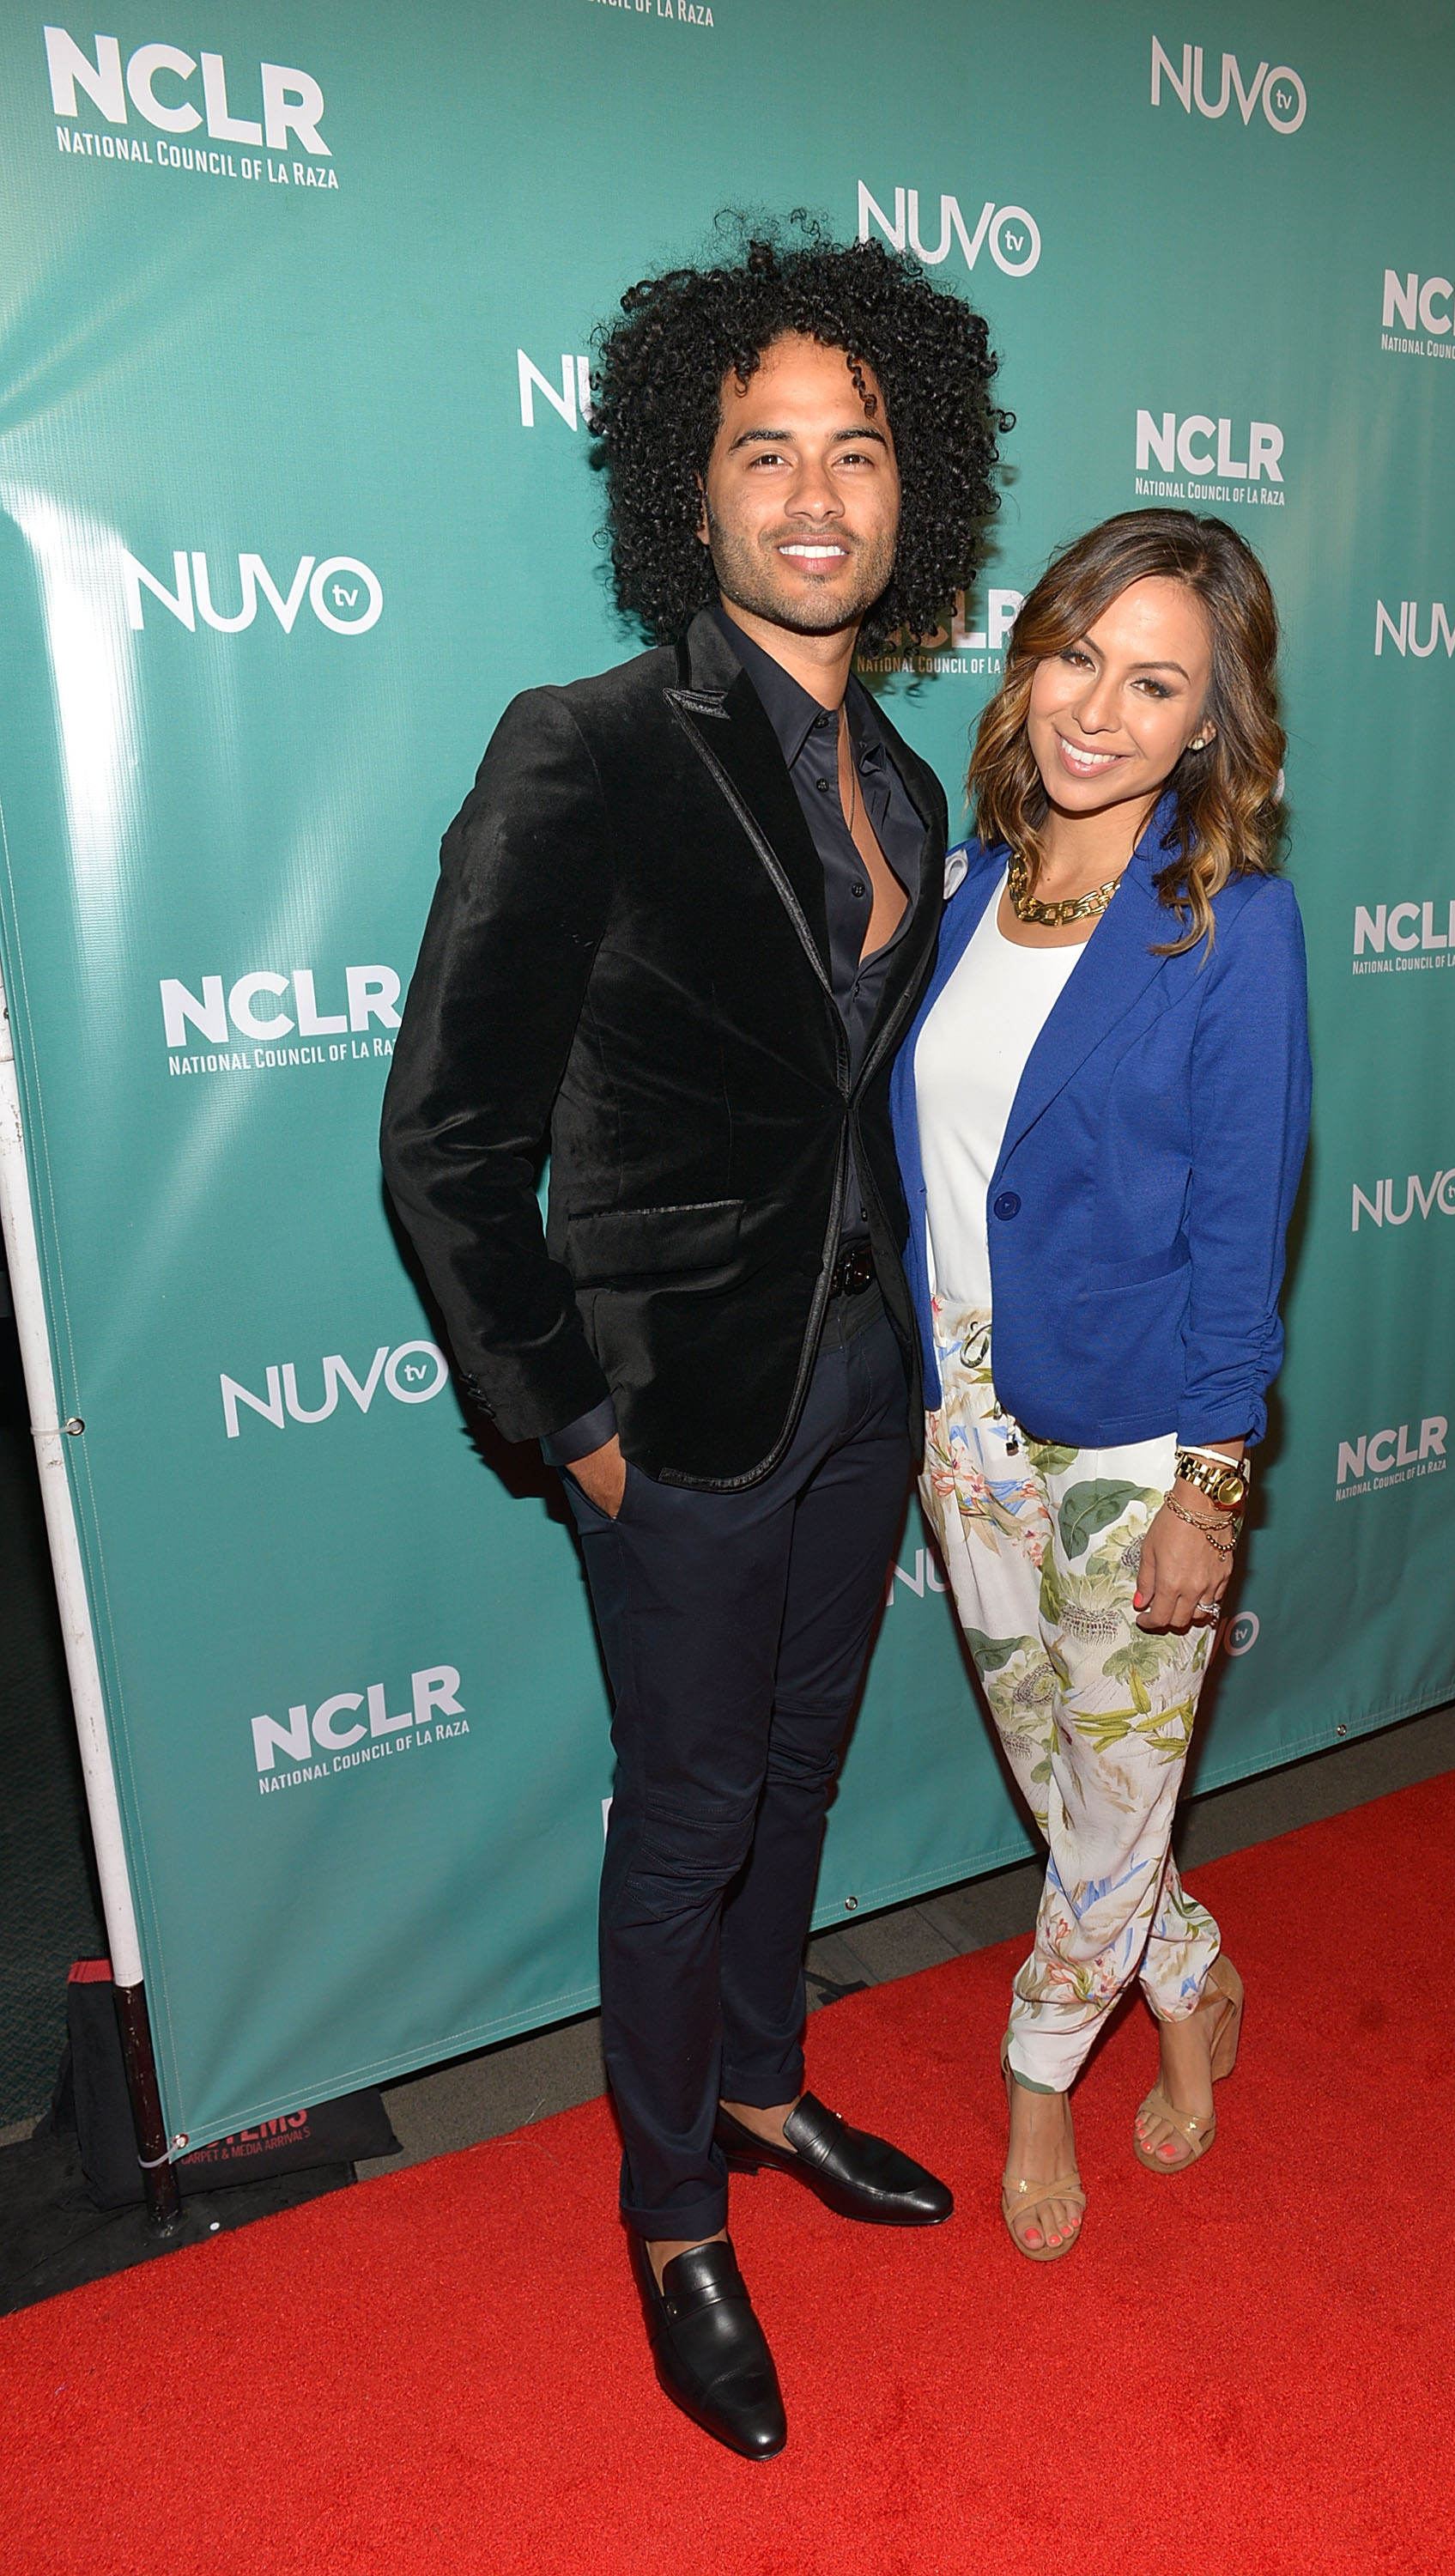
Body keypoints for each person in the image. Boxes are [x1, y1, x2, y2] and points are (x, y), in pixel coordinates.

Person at [379, 231, 1007, 2457]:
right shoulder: (590, 748)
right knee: (686, 1818)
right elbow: (446, 1143)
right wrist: (570, 1422)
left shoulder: (905, 785)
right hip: (675, 1421)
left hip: (854, 1395)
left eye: (859, 450)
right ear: (691, 485)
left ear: (915, 489)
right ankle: (671, 2222)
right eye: (765, 451)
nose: (816, 494)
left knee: (801, 1776)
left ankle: (759, 2087)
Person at [892, 509, 1310, 2260]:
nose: (1101, 709)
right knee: (1075, 1790)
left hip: (1138, 1439)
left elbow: (1244, 1221)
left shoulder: (1232, 927)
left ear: (1209, 721)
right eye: (1080, 656)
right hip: (959, 1425)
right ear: (1031, 659)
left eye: (1156, 684)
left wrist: (1214, 1483)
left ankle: (1039, 2075)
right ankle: (1187, 1982)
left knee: (1116, 1801)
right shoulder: (961, 888)